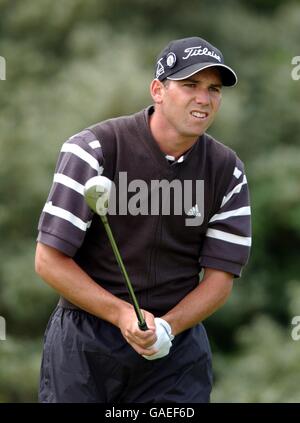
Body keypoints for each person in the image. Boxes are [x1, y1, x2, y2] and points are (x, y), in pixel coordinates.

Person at [35, 36, 251, 403]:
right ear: (158, 90)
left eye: (214, 89)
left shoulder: (227, 171)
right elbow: (49, 260)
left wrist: (167, 327)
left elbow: (220, 278)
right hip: (85, 346)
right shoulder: (93, 150)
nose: (204, 99)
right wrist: (121, 314)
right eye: (190, 85)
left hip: (175, 350)